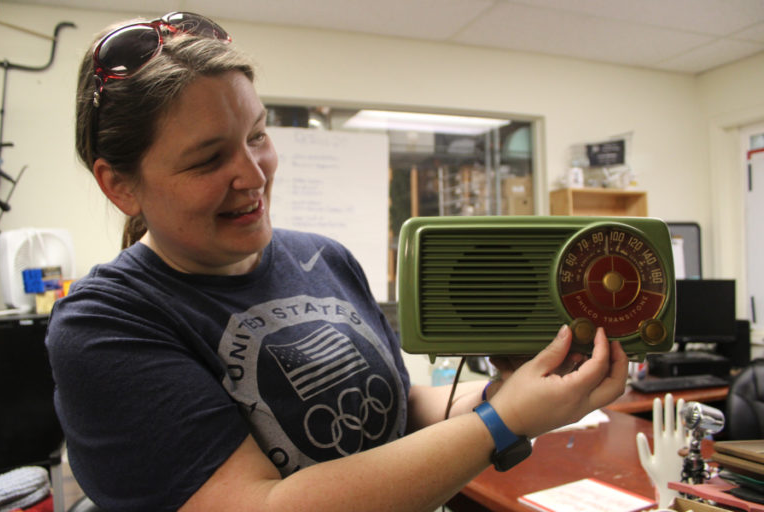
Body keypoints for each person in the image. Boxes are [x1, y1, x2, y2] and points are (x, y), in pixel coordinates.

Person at [46, 12, 629, 512]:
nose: (253, 176)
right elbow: (259, 505)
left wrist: (514, 391)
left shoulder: (321, 256)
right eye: (207, 159)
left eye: (256, 136)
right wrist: (501, 424)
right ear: (120, 185)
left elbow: (405, 408)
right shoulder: (105, 325)